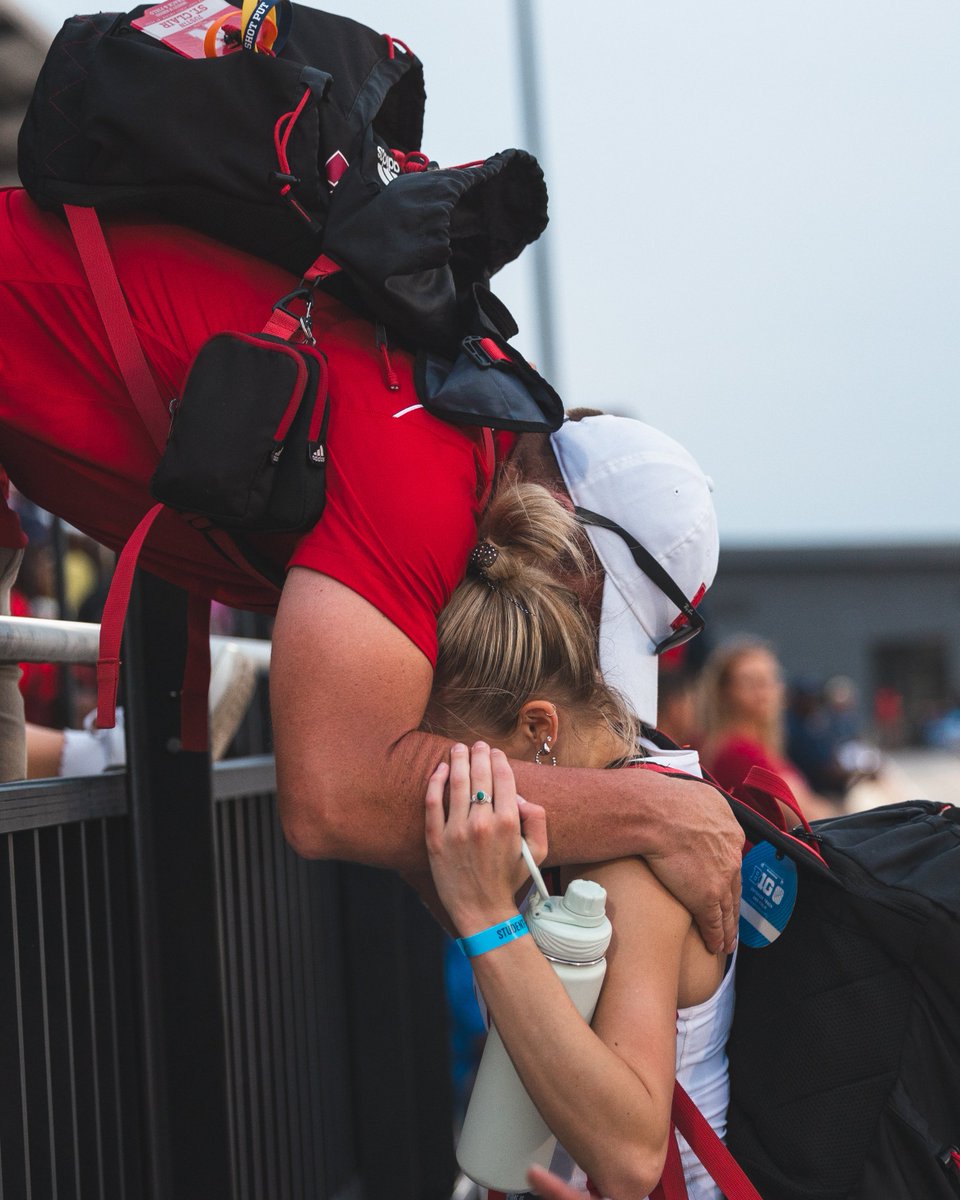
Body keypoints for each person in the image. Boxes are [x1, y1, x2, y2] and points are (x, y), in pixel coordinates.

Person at [0, 187, 741, 949]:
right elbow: (337, 796)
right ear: (562, 526)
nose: (552, 650)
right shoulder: (424, 481)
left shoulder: (461, 425)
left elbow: (402, 759)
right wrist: (653, 813)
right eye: (580, 614)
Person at [423, 482, 734, 1199]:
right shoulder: (640, 781)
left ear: (539, 729)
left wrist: (485, 917)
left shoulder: (632, 859)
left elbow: (629, 1156)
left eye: (467, 763)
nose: (462, 795)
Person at [698, 636, 837, 822]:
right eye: (749, 680)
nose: (762, 689)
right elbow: (804, 817)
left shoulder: (760, 745)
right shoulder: (738, 750)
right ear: (724, 691)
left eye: (770, 678)